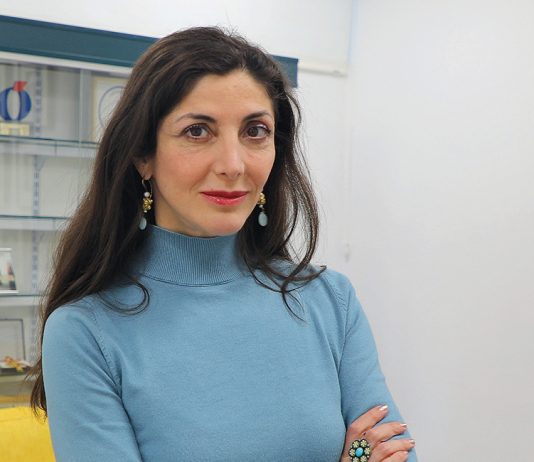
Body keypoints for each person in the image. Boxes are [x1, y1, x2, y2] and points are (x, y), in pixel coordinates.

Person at [30, 27, 417, 462]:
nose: (233, 165)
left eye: (255, 131)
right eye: (197, 131)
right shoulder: (85, 332)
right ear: (142, 154)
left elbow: (397, 452)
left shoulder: (331, 301)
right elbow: (371, 453)